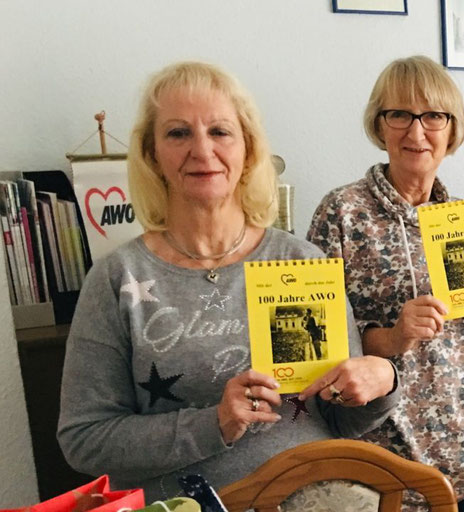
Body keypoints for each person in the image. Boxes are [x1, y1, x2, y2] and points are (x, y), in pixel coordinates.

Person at [57, 62, 400, 502]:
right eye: (178, 133)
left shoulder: (299, 260)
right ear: (151, 154)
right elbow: (84, 439)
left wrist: (382, 381)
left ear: (248, 150)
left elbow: (341, 420)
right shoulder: (116, 278)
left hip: (311, 500)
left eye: (220, 131)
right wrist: (214, 424)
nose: (202, 150)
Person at [308, 55, 464, 512]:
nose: (417, 132)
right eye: (400, 115)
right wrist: (393, 336)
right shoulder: (342, 213)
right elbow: (318, 349)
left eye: (433, 115)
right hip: (381, 473)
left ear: (452, 128)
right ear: (380, 123)